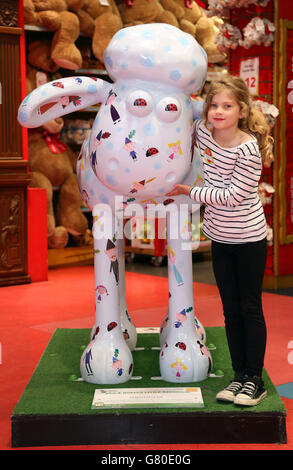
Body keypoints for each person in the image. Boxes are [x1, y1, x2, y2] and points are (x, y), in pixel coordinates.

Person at [166, 75, 273, 407]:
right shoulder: (203, 132)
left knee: (249, 308)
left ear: (241, 111)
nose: (218, 111)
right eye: (213, 105)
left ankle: (255, 379)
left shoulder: (247, 147)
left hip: (249, 238)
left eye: (227, 106)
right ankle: (239, 375)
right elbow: (188, 110)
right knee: (230, 310)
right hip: (220, 237)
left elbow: (233, 195)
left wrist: (188, 192)